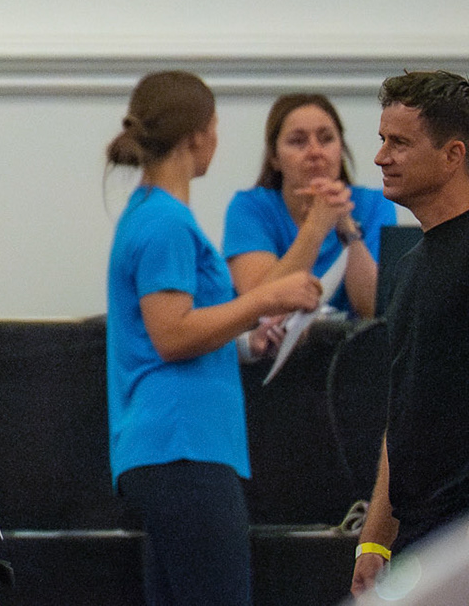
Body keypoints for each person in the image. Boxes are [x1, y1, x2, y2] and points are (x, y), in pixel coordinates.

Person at [105, 71, 320, 606]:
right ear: (198, 135)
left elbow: (178, 330)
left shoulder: (152, 214)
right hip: (184, 446)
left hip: (173, 446)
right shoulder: (166, 223)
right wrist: (266, 298)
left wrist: (243, 340)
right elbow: (171, 335)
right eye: (216, 127)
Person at [350, 71, 469, 596]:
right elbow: (404, 415)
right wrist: (376, 539)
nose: (381, 157)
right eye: (382, 140)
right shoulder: (409, 267)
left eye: (399, 143)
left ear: (452, 155)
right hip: (422, 536)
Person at [223, 93, 394, 318]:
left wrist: (346, 226)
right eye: (298, 141)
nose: (315, 152)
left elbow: (376, 309)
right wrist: (316, 226)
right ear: (274, 157)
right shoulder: (250, 207)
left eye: (326, 139)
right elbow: (260, 309)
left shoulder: (374, 203)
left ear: (341, 148)